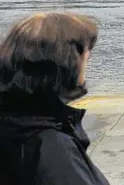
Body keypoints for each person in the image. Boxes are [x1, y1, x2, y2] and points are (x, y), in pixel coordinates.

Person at [0, 12, 110, 185]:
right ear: (67, 64)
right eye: (86, 54)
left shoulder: (13, 122)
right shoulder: (51, 147)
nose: (88, 59)